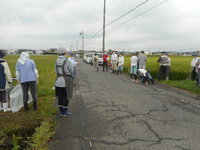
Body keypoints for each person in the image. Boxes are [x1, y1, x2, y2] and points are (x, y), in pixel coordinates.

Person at [55, 48, 74, 116]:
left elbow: (55, 70)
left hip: (58, 80)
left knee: (60, 96)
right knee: (66, 96)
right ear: (65, 53)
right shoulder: (67, 61)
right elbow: (71, 70)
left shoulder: (56, 60)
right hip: (66, 80)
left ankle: (60, 111)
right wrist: (72, 77)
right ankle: (64, 112)